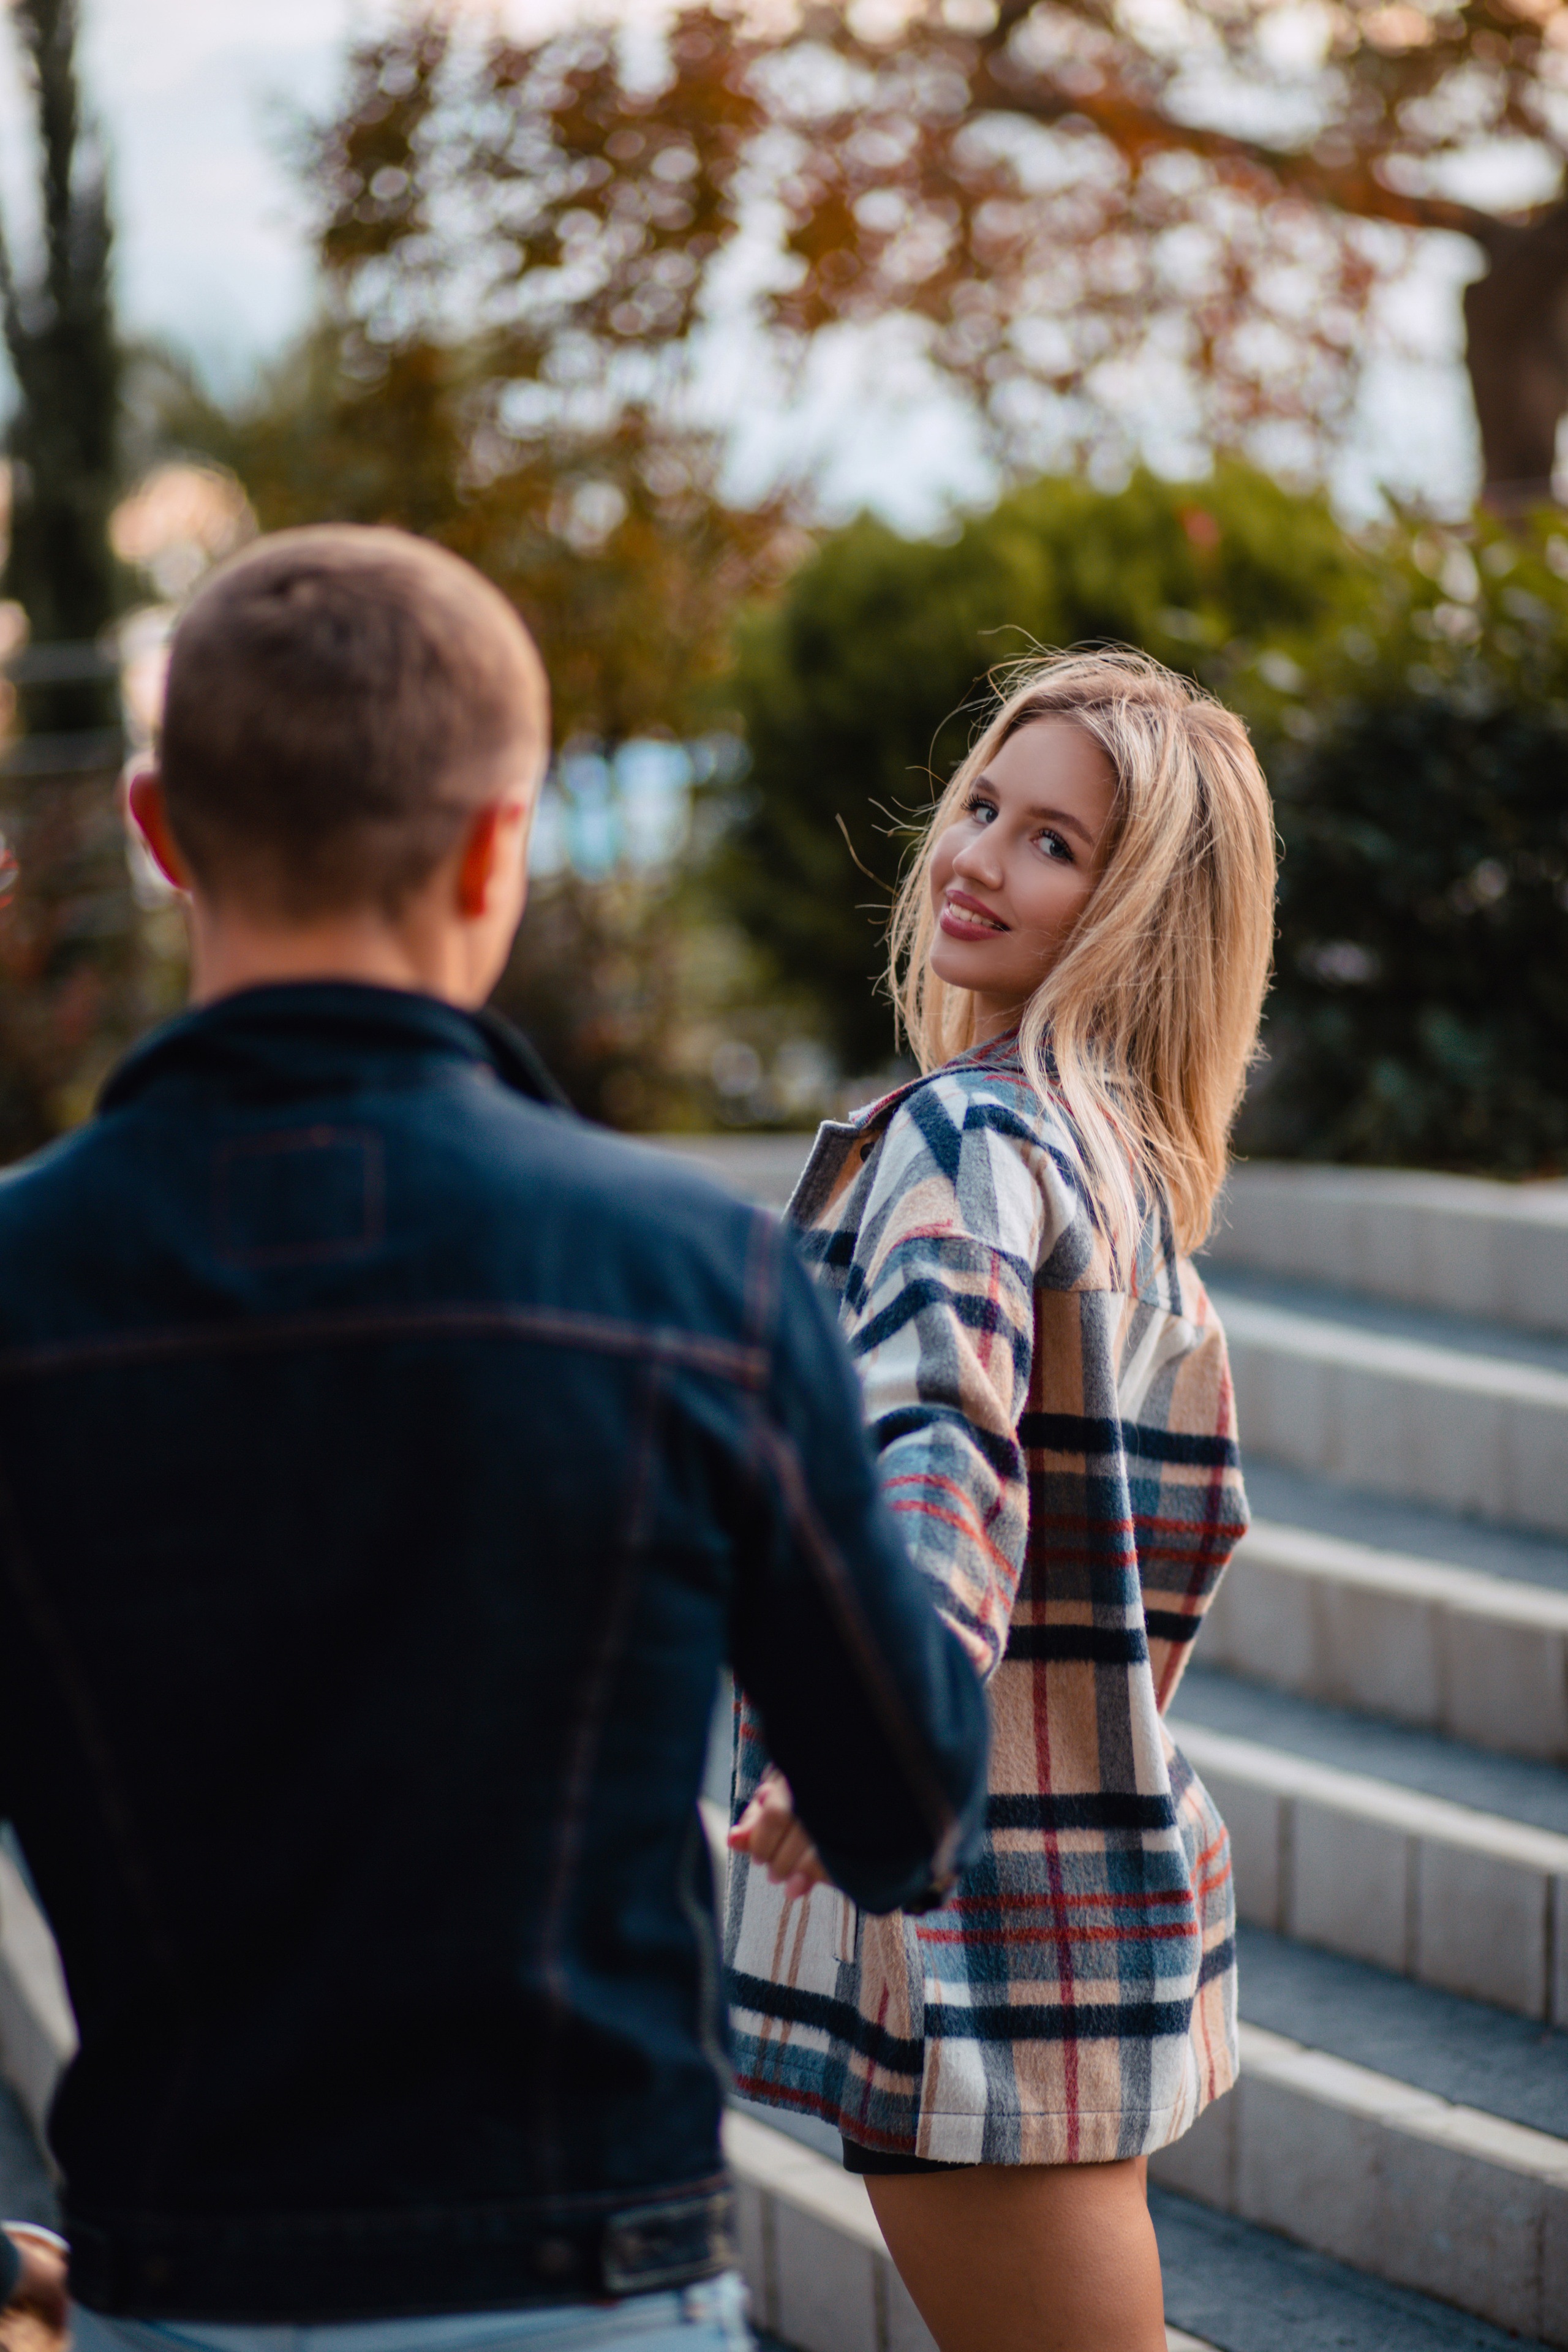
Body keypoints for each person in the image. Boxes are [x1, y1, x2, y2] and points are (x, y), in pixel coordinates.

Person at [0, 525, 989, 2352]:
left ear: (158, 833)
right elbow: (903, 1815)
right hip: (585, 2280)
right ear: (495, 842)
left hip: (178, 2276)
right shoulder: (698, 1279)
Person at [725, 649, 1276, 2352]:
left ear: (1145, 918)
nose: (975, 856)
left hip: (977, 1905)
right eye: (982, 806)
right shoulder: (1115, 1170)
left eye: (1055, 844)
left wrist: (870, 1724)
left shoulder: (968, 1141)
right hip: (1078, 1857)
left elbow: (937, 1463)